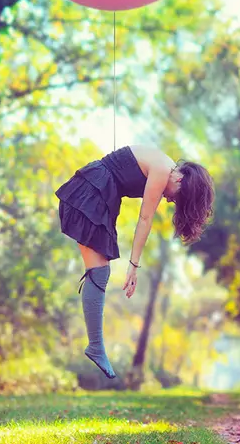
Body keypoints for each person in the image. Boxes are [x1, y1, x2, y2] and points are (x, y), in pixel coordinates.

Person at [55, 144, 215, 379]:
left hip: (100, 193)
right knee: (98, 272)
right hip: (91, 192)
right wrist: (133, 266)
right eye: (176, 199)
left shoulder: (165, 167)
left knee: (100, 271)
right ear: (181, 181)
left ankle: (95, 346)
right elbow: (145, 218)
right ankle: (96, 346)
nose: (170, 201)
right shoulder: (163, 170)